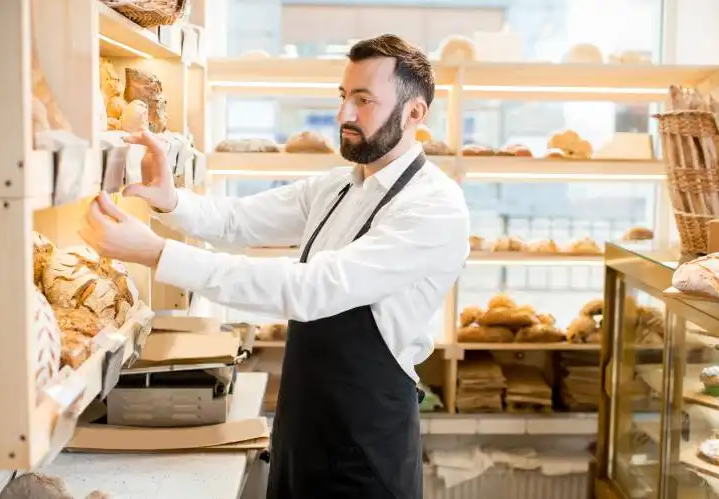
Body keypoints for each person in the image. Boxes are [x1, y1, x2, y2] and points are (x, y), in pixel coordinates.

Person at [81, 34, 469, 499]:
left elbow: (308, 290)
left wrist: (156, 253)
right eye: (344, 97)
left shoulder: (434, 207)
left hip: (367, 452)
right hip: (301, 432)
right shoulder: (338, 187)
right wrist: (171, 201)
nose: (344, 115)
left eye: (364, 100)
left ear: (415, 113)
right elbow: (235, 220)